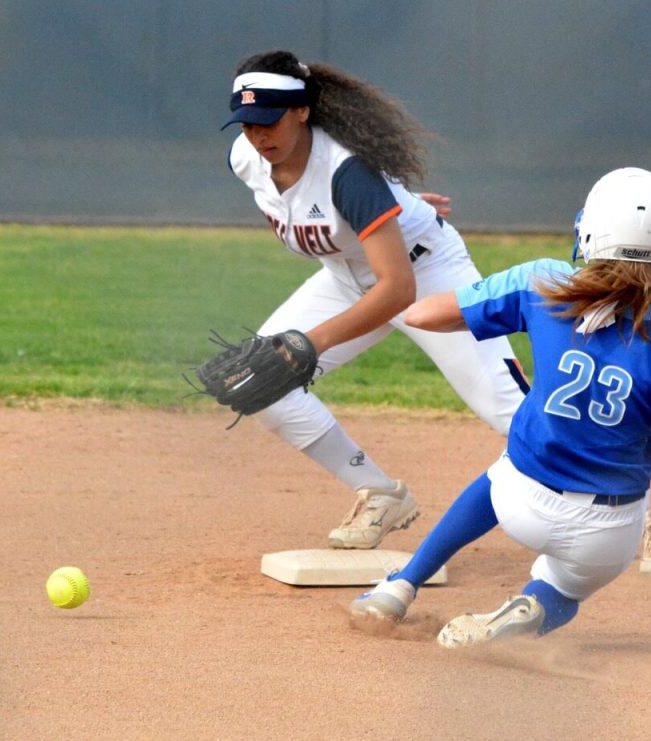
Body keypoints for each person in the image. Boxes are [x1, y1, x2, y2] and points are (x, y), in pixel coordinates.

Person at [350, 167, 651, 647]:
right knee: (566, 587)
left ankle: (399, 587)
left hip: (519, 500)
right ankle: (532, 605)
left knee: (500, 472)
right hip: (605, 535)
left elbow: (422, 314)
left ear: (589, 232)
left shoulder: (542, 282)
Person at [219, 49, 529, 549]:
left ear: (302, 110)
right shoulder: (246, 159)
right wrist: (384, 209)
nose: (258, 135)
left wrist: (310, 342)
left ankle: (637, 502)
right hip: (347, 276)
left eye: (269, 119)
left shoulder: (346, 174)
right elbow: (311, 212)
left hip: (425, 274)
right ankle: (381, 494)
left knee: (510, 411)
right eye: (247, 122)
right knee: (255, 381)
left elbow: (398, 289)